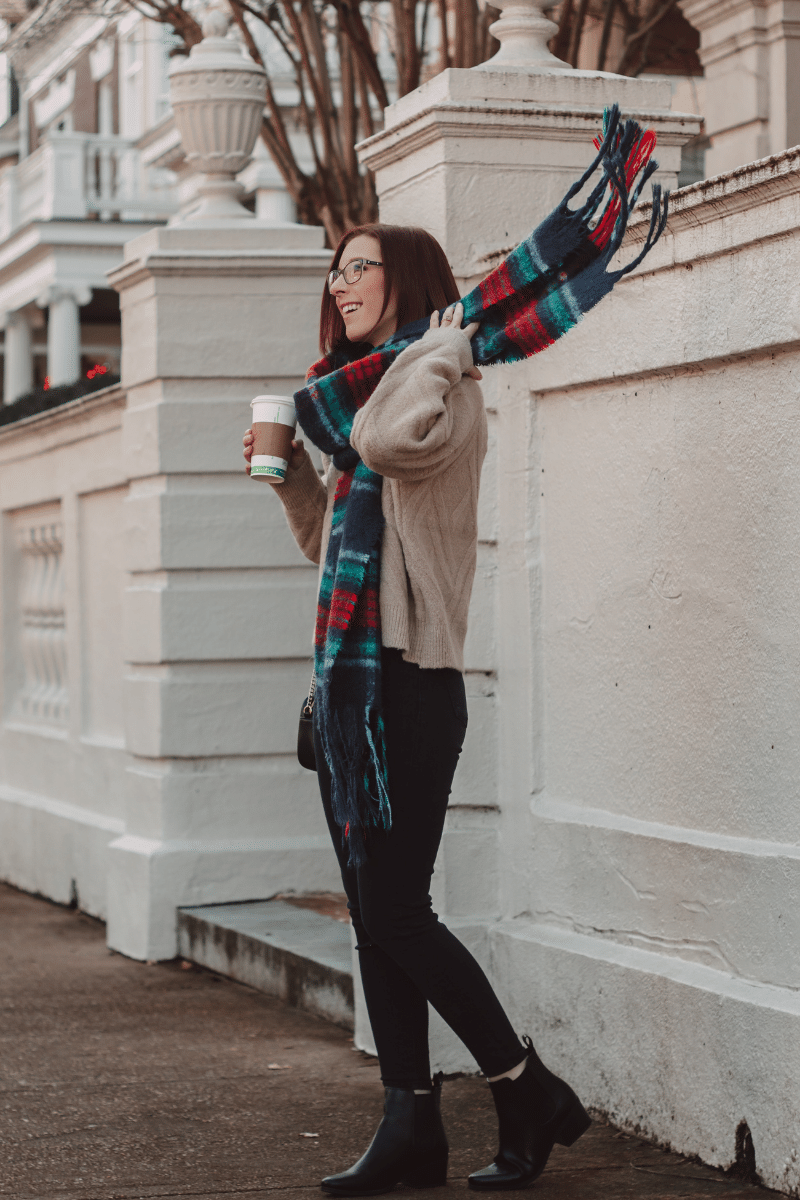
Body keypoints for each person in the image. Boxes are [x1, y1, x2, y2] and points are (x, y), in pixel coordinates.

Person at [243, 223, 590, 1196]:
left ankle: (526, 1087)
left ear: (409, 280)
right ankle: (410, 1124)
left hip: (405, 689)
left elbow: (386, 444)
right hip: (348, 688)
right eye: (335, 268)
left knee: (395, 909)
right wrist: (287, 482)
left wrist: (444, 344)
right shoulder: (368, 394)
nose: (338, 282)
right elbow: (327, 541)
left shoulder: (439, 395)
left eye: (358, 266)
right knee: (372, 915)